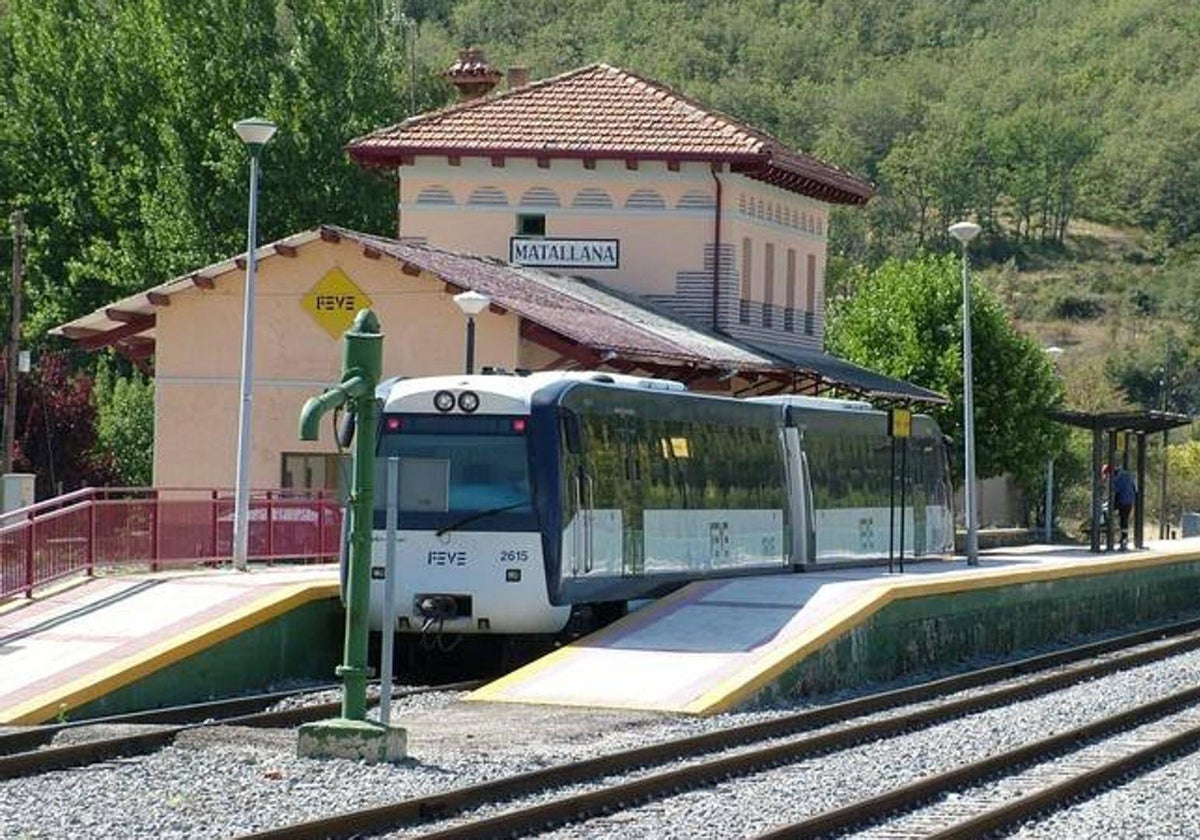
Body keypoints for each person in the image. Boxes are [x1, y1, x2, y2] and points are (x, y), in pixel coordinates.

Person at [1112, 465, 1136, 550]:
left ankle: (1122, 539)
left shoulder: (1117, 479)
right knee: (1124, 520)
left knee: (1121, 519)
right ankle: (1124, 539)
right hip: (1129, 501)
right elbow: (1134, 488)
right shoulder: (1128, 476)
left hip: (1122, 501)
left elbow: (1115, 491)